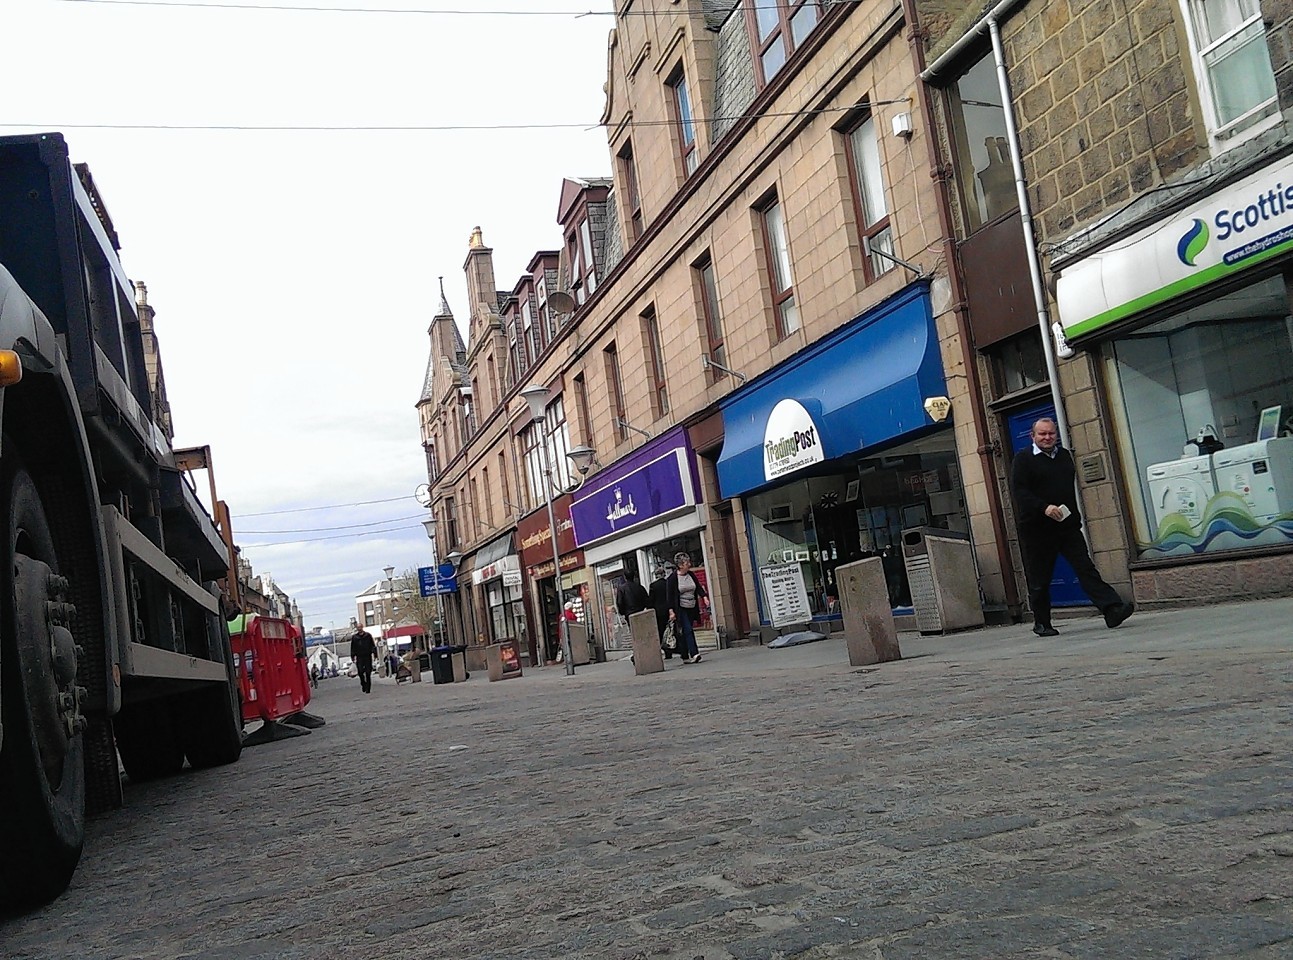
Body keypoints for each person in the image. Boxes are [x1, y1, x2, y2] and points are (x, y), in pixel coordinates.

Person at [1010, 417, 1135, 637]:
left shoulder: (1065, 457)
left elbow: (1066, 491)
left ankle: (1112, 609)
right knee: (1040, 578)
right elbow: (1020, 492)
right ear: (1033, 436)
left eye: (1051, 434)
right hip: (1037, 529)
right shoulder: (1023, 460)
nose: (1047, 438)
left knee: (1085, 568)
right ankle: (1042, 623)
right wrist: (1044, 507)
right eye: (1042, 434)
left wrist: (1072, 516)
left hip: (1066, 527)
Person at [665, 552, 709, 664]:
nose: (689, 564)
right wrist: (671, 611)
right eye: (686, 563)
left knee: (684, 631)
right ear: (680, 565)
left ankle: (684, 655)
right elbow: (669, 596)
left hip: (692, 606)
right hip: (680, 608)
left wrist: (704, 597)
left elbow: (698, 587)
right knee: (688, 630)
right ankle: (694, 653)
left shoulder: (691, 575)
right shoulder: (672, 579)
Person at [646, 567, 674, 659]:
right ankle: (671, 648)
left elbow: (651, 600)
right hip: (670, 610)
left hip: (659, 612)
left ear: (656, 575)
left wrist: (649, 609)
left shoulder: (653, 586)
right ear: (664, 574)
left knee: (661, 632)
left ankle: (664, 650)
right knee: (671, 630)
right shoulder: (668, 583)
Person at [349, 623, 378, 693]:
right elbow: (352, 647)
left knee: (368, 672)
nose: (359, 629)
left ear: (362, 627)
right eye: (358, 627)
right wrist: (352, 656)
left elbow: (372, 645)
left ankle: (368, 688)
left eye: (360, 627)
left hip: (367, 656)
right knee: (360, 672)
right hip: (359, 657)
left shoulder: (368, 636)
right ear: (357, 628)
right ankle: (363, 683)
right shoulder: (355, 637)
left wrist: (375, 654)